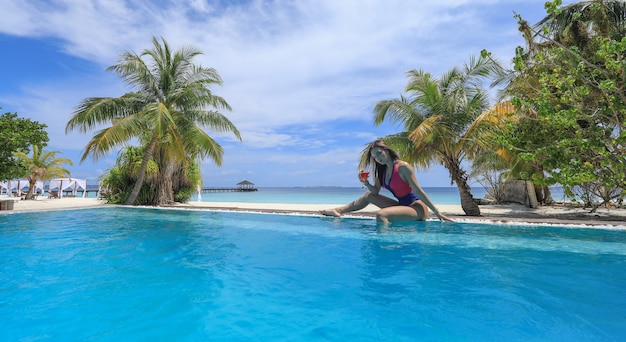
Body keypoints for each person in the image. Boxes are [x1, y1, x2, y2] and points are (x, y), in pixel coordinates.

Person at [320, 139, 453, 224]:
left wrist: (437, 212)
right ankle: (337, 211)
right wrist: (366, 183)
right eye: (374, 157)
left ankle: (385, 244)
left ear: (387, 151)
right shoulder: (381, 172)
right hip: (403, 205)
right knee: (368, 196)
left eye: (379, 153)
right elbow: (374, 192)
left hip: (417, 208)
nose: (378, 158)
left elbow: (418, 190)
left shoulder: (403, 167)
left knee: (381, 214)